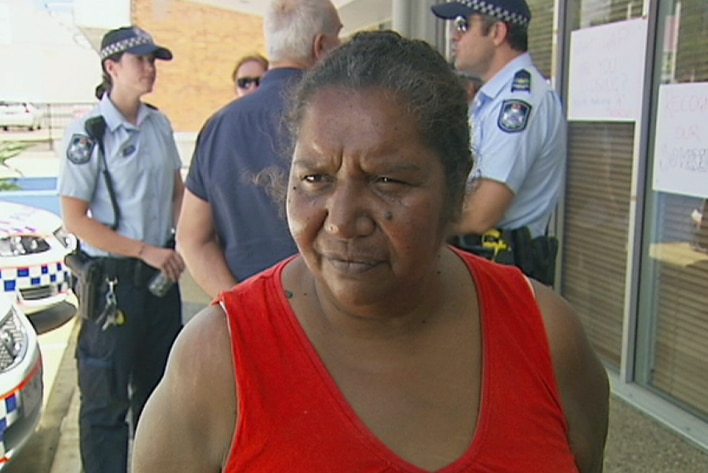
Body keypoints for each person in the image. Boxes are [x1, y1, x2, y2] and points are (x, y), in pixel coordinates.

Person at [132, 31, 609, 473]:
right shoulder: (216, 361)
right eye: (315, 178)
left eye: (387, 181)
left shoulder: (545, 335)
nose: (341, 220)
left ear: (456, 185)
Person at [58, 26, 185, 473]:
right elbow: (76, 219)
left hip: (158, 283)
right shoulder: (88, 134)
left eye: (154, 60)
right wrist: (145, 249)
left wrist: (180, 240)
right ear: (112, 68)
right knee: (105, 404)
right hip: (113, 286)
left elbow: (176, 192)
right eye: (140, 60)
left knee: (158, 398)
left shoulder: (159, 123)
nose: (150, 69)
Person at [177, 0, 343, 298]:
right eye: (338, 38)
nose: (342, 47)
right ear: (321, 47)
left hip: (251, 318)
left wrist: (241, 308)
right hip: (331, 320)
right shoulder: (341, 120)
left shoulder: (218, 125)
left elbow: (192, 238)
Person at [432, 0, 567, 286]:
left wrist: (416, 226)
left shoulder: (519, 103)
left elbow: (481, 214)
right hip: (483, 268)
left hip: (501, 273)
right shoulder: (493, 99)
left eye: (464, 25)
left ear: (497, 32)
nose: (454, 36)